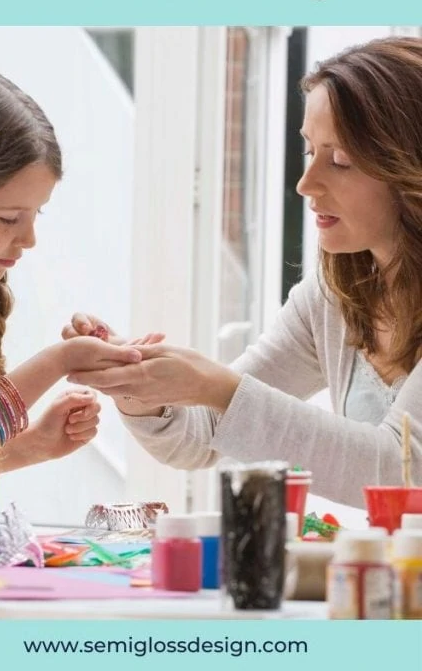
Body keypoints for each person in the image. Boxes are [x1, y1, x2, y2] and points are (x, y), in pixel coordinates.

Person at [65, 36, 422, 509]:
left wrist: (215, 386)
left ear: (409, 166)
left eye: (340, 161)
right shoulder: (334, 296)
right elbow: (203, 438)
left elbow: (403, 474)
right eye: (308, 150)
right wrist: (140, 388)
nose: (305, 184)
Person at [0, 63, 144, 546]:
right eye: (8, 218)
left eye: (35, 215)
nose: (30, 238)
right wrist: (57, 363)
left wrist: (34, 443)